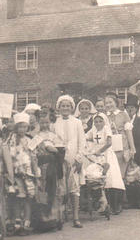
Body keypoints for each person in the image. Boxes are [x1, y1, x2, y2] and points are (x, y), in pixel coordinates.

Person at [54, 95, 86, 227]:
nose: (65, 108)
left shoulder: (77, 122)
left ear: (72, 108)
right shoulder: (55, 123)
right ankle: (60, 216)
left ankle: (76, 217)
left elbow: (82, 142)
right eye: (63, 106)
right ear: (59, 107)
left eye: (68, 106)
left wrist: (79, 158)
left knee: (74, 188)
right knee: (60, 187)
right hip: (60, 159)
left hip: (74, 160)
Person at [85, 113, 125, 215]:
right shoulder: (93, 130)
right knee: (100, 179)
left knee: (112, 178)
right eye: (96, 121)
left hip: (107, 154)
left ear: (104, 121)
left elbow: (109, 143)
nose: (98, 123)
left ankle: (116, 205)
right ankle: (103, 205)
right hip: (98, 156)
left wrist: (100, 150)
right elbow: (85, 137)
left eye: (100, 121)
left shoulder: (106, 129)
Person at [31, 111, 65, 231]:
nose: (44, 125)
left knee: (53, 192)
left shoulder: (54, 136)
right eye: (42, 123)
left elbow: (61, 152)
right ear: (38, 123)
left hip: (52, 168)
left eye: (47, 123)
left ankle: (55, 219)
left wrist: (54, 150)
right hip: (40, 168)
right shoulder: (35, 136)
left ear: (50, 122)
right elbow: (32, 152)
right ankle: (42, 220)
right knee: (41, 193)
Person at [7, 111, 39, 235]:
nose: (22, 129)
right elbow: (11, 155)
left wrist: (35, 172)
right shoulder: (12, 139)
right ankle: (16, 222)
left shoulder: (30, 140)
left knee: (27, 198)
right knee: (16, 197)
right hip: (16, 172)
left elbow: (33, 157)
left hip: (28, 172)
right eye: (20, 126)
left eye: (24, 126)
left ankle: (26, 222)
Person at [104, 93, 135, 175]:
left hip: (122, 147)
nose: (108, 105)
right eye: (106, 103)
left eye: (110, 102)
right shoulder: (104, 116)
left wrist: (132, 148)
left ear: (116, 102)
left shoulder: (123, 114)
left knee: (121, 173)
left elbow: (129, 132)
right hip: (109, 147)